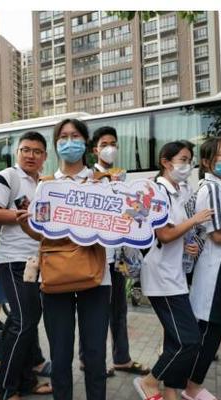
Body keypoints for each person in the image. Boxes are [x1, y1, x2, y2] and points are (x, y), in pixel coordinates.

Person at [17, 119, 110, 400]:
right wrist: (25, 224)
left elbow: (114, 227)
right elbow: (44, 234)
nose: (69, 141)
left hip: (96, 276)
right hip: (55, 276)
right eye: (63, 137)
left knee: (95, 352)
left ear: (86, 142)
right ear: (56, 144)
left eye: (75, 136)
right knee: (59, 353)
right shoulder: (45, 184)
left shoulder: (102, 180)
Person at [134, 140, 212, 400]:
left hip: (175, 274)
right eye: (182, 159)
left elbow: (176, 235)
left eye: (189, 159)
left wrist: (188, 244)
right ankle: (149, 382)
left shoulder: (179, 191)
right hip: (160, 276)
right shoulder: (156, 192)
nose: (187, 165)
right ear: (165, 162)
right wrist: (195, 221)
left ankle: (171, 396)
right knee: (188, 341)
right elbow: (164, 234)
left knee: (174, 340)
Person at [0, 131, 52, 400]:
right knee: (24, 321)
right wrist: (25, 216)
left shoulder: (46, 184)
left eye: (37, 151)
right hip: (12, 260)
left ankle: (25, 381)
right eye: (26, 149)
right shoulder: (7, 177)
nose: (31, 155)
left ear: (44, 157)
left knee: (24, 321)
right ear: (17, 152)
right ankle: (5, 389)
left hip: (38, 261)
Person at [79, 125, 150, 377]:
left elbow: (129, 211)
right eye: (105, 143)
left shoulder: (122, 177)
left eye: (114, 144)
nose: (110, 148)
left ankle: (122, 358)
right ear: (95, 149)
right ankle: (89, 360)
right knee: (94, 313)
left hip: (118, 256)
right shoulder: (87, 177)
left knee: (119, 310)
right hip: (97, 255)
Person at [183, 137, 221, 400]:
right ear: (207, 161)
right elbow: (219, 236)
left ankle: (190, 381)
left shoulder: (216, 188)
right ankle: (193, 386)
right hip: (217, 266)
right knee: (211, 327)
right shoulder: (212, 189)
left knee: (212, 326)